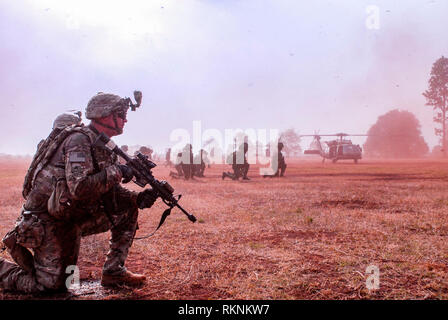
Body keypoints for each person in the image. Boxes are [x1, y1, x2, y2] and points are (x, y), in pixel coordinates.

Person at [0, 92, 159, 293]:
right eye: (120, 114)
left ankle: (114, 271)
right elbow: (80, 188)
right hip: (47, 221)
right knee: (51, 287)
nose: (125, 119)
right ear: (104, 115)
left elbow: (108, 189)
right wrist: (118, 170)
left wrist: (137, 198)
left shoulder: (102, 144)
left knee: (127, 208)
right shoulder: (78, 140)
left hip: (70, 216)